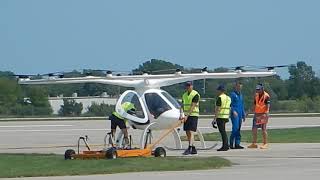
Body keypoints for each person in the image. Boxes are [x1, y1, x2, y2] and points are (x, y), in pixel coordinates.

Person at [248, 83, 270, 149]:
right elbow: (254, 105)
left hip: (263, 114)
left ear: (262, 89)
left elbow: (268, 105)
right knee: (254, 129)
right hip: (256, 114)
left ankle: (265, 143)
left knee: (263, 129)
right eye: (257, 89)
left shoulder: (266, 96)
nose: (258, 91)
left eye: (259, 89)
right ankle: (254, 143)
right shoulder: (256, 95)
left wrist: (267, 113)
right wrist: (249, 112)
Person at [181, 81, 200, 155]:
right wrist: (181, 114)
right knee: (187, 132)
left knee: (191, 131)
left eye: (189, 85)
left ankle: (189, 148)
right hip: (186, 115)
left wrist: (187, 115)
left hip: (193, 115)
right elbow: (182, 105)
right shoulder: (184, 95)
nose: (188, 87)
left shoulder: (195, 94)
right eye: (187, 86)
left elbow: (193, 106)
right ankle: (193, 148)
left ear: (192, 86)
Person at [214, 84, 231, 151]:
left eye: (218, 90)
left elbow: (218, 108)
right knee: (223, 131)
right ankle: (226, 144)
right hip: (226, 116)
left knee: (222, 132)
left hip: (220, 116)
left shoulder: (220, 98)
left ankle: (225, 146)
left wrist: (215, 118)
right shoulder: (228, 98)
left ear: (220, 91)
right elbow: (230, 107)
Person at [229, 81, 246, 149]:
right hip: (235, 114)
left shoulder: (241, 95)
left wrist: (243, 114)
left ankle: (237, 144)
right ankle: (231, 143)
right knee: (235, 129)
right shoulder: (232, 94)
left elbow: (242, 105)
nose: (239, 88)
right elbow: (230, 104)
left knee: (238, 129)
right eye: (238, 87)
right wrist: (233, 111)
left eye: (240, 87)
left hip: (240, 114)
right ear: (235, 87)